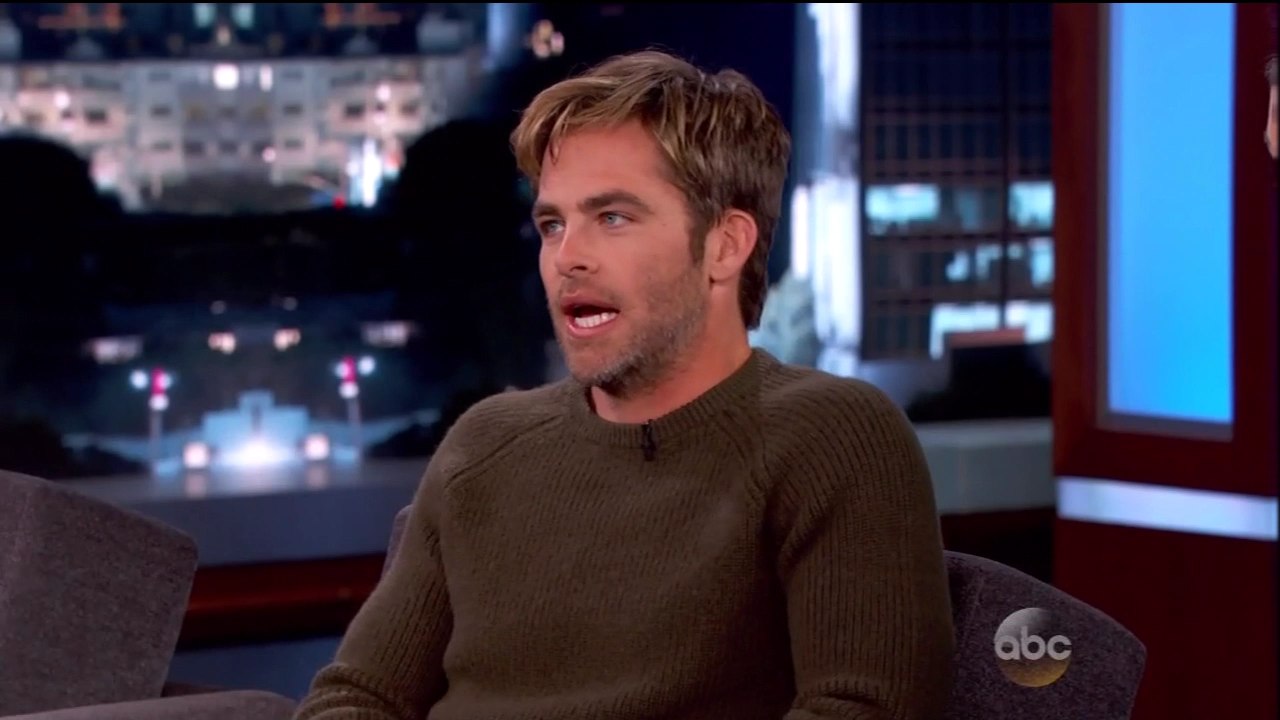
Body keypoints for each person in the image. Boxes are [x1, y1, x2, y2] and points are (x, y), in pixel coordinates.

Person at [295, 50, 954, 720]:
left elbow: (865, 708)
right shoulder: (485, 445)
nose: (567, 257)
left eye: (612, 217)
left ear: (725, 245)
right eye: (553, 224)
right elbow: (356, 695)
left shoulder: (831, 438)